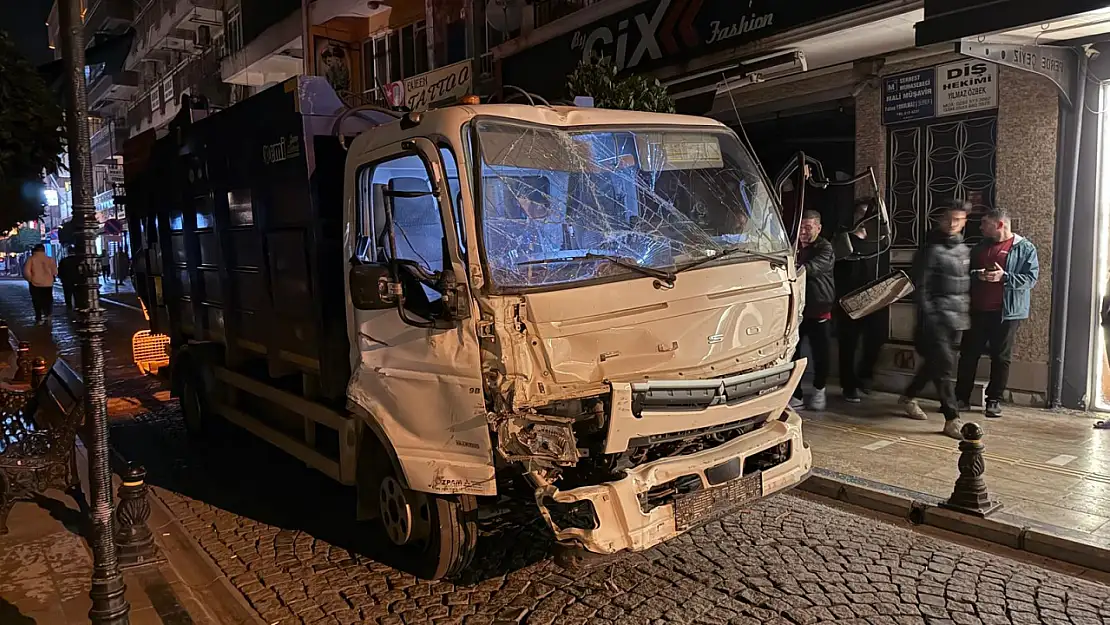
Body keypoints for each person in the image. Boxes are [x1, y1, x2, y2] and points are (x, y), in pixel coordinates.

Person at [956, 208, 1040, 418]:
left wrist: (1005, 277)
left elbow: (1030, 279)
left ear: (1000, 225)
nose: (981, 227)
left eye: (986, 223)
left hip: (1007, 313)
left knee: (1001, 357)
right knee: (968, 354)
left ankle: (994, 400)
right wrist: (979, 275)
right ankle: (961, 398)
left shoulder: (1025, 248)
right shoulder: (979, 248)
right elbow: (965, 274)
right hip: (977, 310)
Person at [900, 202, 970, 439]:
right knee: (944, 367)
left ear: (964, 221)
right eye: (949, 219)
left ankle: (909, 395)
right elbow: (921, 288)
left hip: (956, 318)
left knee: (935, 364)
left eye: (958, 219)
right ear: (940, 220)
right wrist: (929, 317)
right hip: (935, 319)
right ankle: (952, 418)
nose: (953, 224)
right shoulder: (930, 250)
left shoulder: (963, 250)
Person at [836, 197, 888, 402]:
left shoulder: (880, 241)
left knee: (876, 338)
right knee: (848, 344)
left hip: (875, 299)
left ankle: (865, 376)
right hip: (849, 300)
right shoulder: (844, 240)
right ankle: (848, 385)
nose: (865, 218)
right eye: (861, 213)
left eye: (869, 214)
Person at [790, 210, 836, 411]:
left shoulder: (825, 248)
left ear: (818, 228)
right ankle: (795, 394)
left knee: (821, 354)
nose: (803, 231)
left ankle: (819, 389)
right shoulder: (792, 246)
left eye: (808, 227)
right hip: (795, 310)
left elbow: (812, 268)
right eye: (801, 227)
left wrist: (793, 268)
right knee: (793, 354)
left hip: (818, 307)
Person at [23, 244, 58, 325]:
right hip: (48, 283)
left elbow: (26, 271)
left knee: (37, 300)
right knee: (48, 299)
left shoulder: (31, 259)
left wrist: (30, 279)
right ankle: (48, 314)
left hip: (35, 283)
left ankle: (39, 317)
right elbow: (55, 271)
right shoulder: (49, 259)